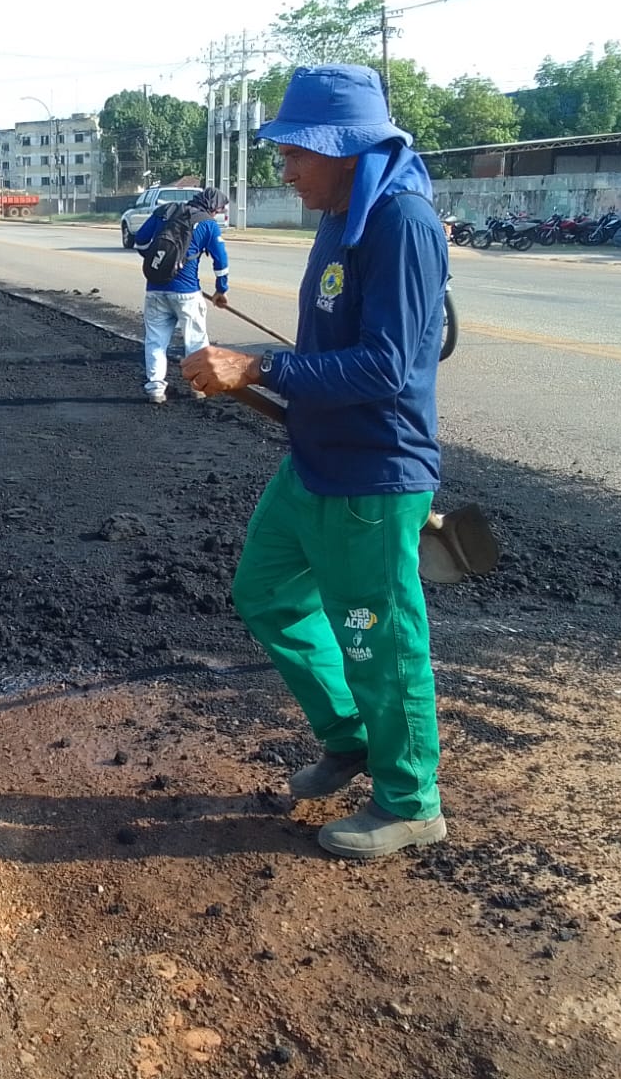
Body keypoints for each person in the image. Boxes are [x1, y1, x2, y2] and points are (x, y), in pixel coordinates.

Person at [181, 65, 450, 860]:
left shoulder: (401, 223)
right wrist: (259, 373)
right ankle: (349, 738)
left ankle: (409, 801)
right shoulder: (341, 215)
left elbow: (388, 368)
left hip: (373, 477)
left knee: (379, 640)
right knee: (265, 592)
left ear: (348, 150)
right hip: (315, 462)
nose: (285, 169)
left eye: (298, 152)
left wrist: (258, 370)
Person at [132, 187, 231, 404]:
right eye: (219, 209)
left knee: (155, 341)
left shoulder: (165, 211)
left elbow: (139, 241)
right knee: (195, 341)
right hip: (187, 293)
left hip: (155, 289)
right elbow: (221, 262)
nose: (217, 214)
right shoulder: (207, 223)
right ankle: (198, 387)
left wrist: (161, 263)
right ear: (213, 207)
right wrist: (221, 290)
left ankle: (156, 390)